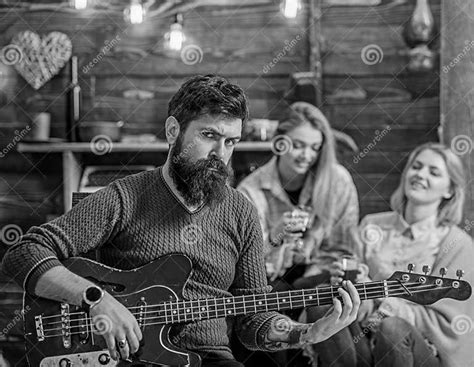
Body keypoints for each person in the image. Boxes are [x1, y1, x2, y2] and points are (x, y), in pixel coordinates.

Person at [1, 75, 360, 366]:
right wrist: (96, 299)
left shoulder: (241, 210)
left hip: (212, 359)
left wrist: (308, 332)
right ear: (174, 130)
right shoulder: (126, 196)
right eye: (209, 136)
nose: (221, 154)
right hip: (130, 357)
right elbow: (24, 252)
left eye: (231, 142)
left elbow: (255, 320)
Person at [310, 142, 474, 367]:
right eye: (416, 167)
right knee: (322, 304)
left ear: (450, 190)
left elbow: (447, 324)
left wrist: (378, 295)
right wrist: (349, 283)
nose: (420, 174)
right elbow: (358, 301)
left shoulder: (458, 244)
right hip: (365, 338)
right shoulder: (372, 225)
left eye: (433, 172)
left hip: (419, 350)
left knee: (393, 328)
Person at [237, 101, 359, 289]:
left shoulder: (337, 181)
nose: (306, 156)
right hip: (270, 282)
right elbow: (247, 264)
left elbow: (344, 248)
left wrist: (310, 277)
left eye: (315, 147)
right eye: (298, 145)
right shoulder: (250, 190)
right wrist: (275, 237)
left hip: (323, 277)